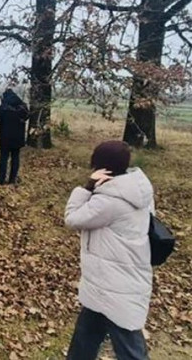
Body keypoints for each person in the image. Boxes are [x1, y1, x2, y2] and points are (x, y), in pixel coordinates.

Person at [64, 140, 154, 360]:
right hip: (110, 279)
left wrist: (87, 187)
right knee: (85, 336)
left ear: (102, 165)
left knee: (129, 346)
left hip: (115, 285)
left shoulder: (109, 201)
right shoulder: (136, 190)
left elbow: (73, 218)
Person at [0, 88, 29, 185]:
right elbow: (26, 117)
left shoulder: (3, 107)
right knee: (15, 157)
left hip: (5, 136)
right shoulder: (23, 106)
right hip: (18, 136)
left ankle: (1, 179)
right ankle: (12, 179)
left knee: (3, 158)